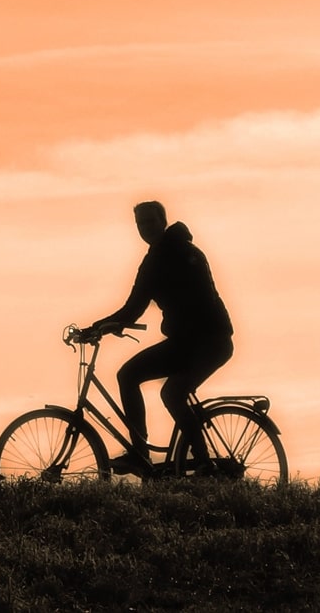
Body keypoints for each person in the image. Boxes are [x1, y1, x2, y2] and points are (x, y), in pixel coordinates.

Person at [89, 200, 235, 474]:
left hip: (210, 341)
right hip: (185, 342)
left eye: (150, 221)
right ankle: (140, 454)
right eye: (140, 224)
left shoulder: (181, 254)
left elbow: (135, 308)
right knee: (129, 375)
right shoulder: (156, 258)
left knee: (172, 392)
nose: (145, 228)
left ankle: (204, 462)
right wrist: (100, 326)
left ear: (163, 221)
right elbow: (134, 306)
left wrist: (102, 326)